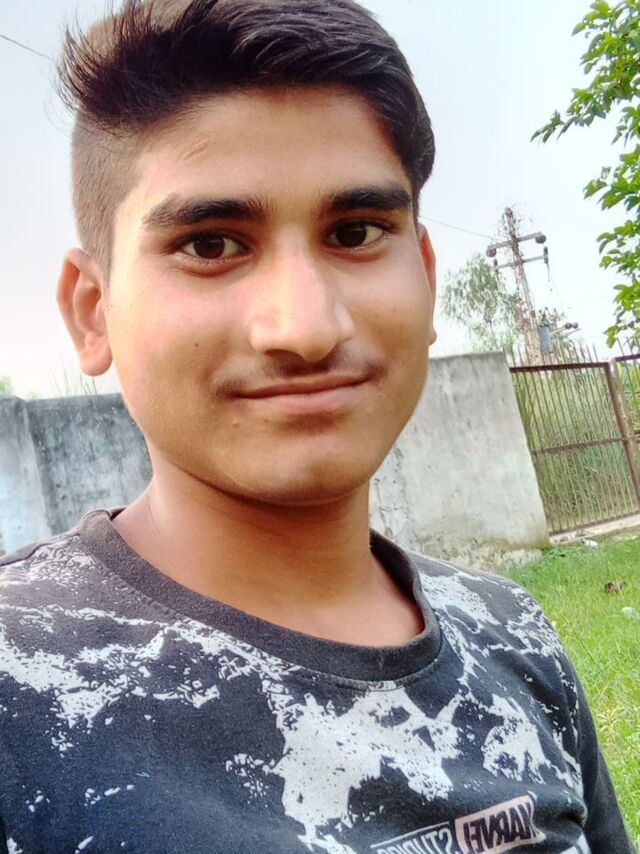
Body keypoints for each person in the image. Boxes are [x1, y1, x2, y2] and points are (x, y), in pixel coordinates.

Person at [0, 1, 634, 851]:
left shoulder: (513, 634)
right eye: (212, 245)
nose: (304, 327)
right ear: (91, 310)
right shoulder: (20, 690)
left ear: (425, 275)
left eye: (357, 232)